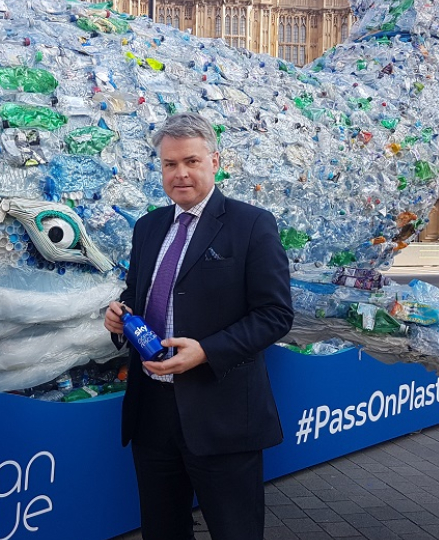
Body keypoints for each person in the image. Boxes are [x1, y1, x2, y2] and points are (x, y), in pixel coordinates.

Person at [104, 112, 294, 540]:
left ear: (215, 161)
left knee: (235, 531)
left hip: (221, 412)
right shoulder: (148, 226)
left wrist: (207, 350)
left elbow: (275, 314)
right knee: (162, 530)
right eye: (170, 164)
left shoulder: (251, 224)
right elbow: (138, 294)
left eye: (191, 161)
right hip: (152, 412)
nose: (181, 173)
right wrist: (119, 315)